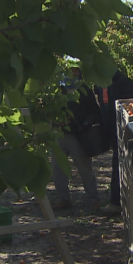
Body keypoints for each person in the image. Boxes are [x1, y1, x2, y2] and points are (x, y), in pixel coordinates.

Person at [51, 67, 103, 211]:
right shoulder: (58, 89)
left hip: (78, 134)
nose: (73, 73)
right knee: (58, 168)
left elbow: (94, 111)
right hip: (59, 133)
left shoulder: (83, 89)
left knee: (84, 168)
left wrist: (85, 124)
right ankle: (63, 198)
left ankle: (93, 199)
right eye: (70, 70)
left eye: (75, 71)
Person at [95, 69, 133, 215]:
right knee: (117, 163)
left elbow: (130, 105)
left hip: (122, 129)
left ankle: (118, 202)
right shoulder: (101, 85)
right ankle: (117, 200)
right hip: (110, 129)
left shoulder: (122, 83)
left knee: (120, 164)